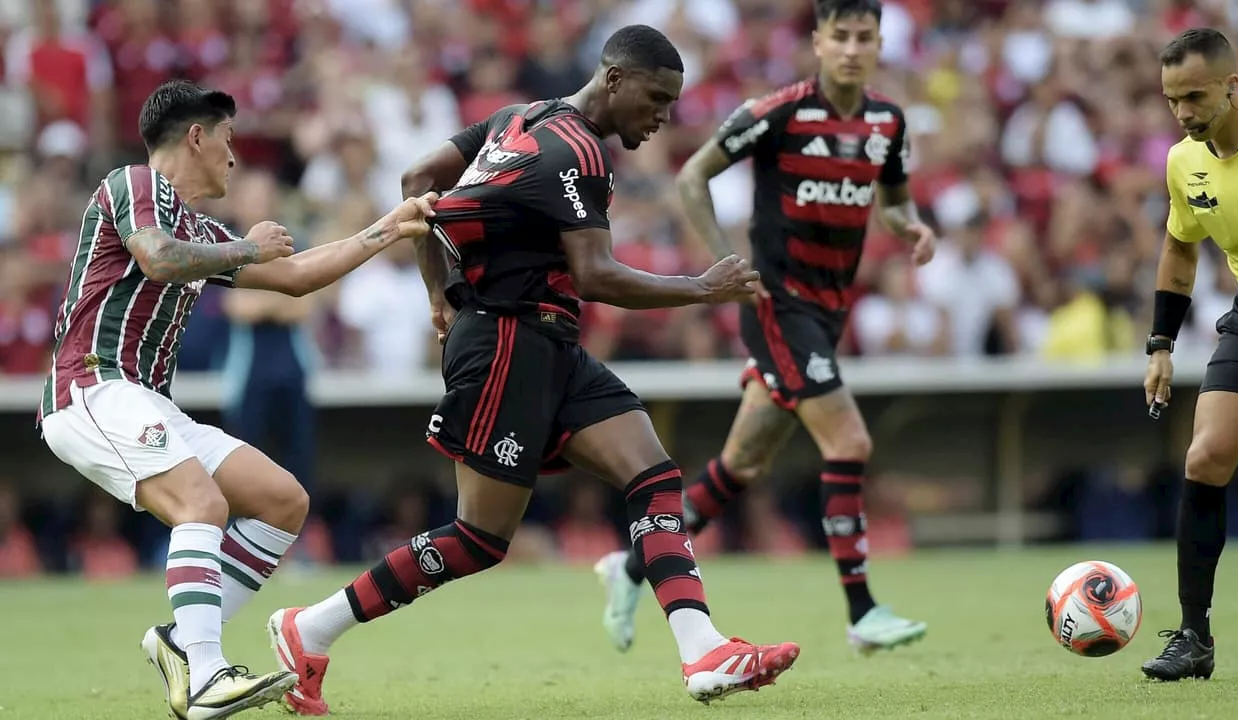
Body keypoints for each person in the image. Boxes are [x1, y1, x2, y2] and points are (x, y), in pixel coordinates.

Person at [266, 25, 799, 716]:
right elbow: (596, 274)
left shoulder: (520, 118)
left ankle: (702, 650)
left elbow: (418, 181)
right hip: (506, 341)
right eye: (656, 97)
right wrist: (702, 288)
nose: (663, 114)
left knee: (653, 474)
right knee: (479, 539)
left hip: (546, 339)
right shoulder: (577, 151)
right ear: (613, 80)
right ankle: (307, 629)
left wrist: (439, 291)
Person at [36, 80, 436, 720]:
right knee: (204, 502)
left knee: (281, 501)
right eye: (226, 140)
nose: (233, 156)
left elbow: (298, 276)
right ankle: (206, 675)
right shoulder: (133, 185)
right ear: (196, 136)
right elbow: (159, 259)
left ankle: (180, 643)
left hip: (142, 398)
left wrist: (388, 228)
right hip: (90, 386)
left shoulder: (195, 226)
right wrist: (247, 244)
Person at [594, 0, 935, 655]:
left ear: (879, 43)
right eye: (842, 36)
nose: (853, 49)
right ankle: (862, 612)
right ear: (818, 41)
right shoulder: (779, 112)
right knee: (849, 441)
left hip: (828, 312)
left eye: (866, 37)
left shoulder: (887, 122)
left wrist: (910, 227)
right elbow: (693, 176)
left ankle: (631, 565)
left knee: (741, 463)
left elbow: (893, 205)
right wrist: (725, 259)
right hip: (778, 305)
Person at [1140, 27, 1238, 682]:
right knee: (1204, 458)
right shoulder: (1182, 162)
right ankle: (1193, 636)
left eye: (1194, 96)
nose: (1183, 113)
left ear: (1232, 85)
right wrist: (1161, 344)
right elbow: (1180, 246)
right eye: (1172, 100)